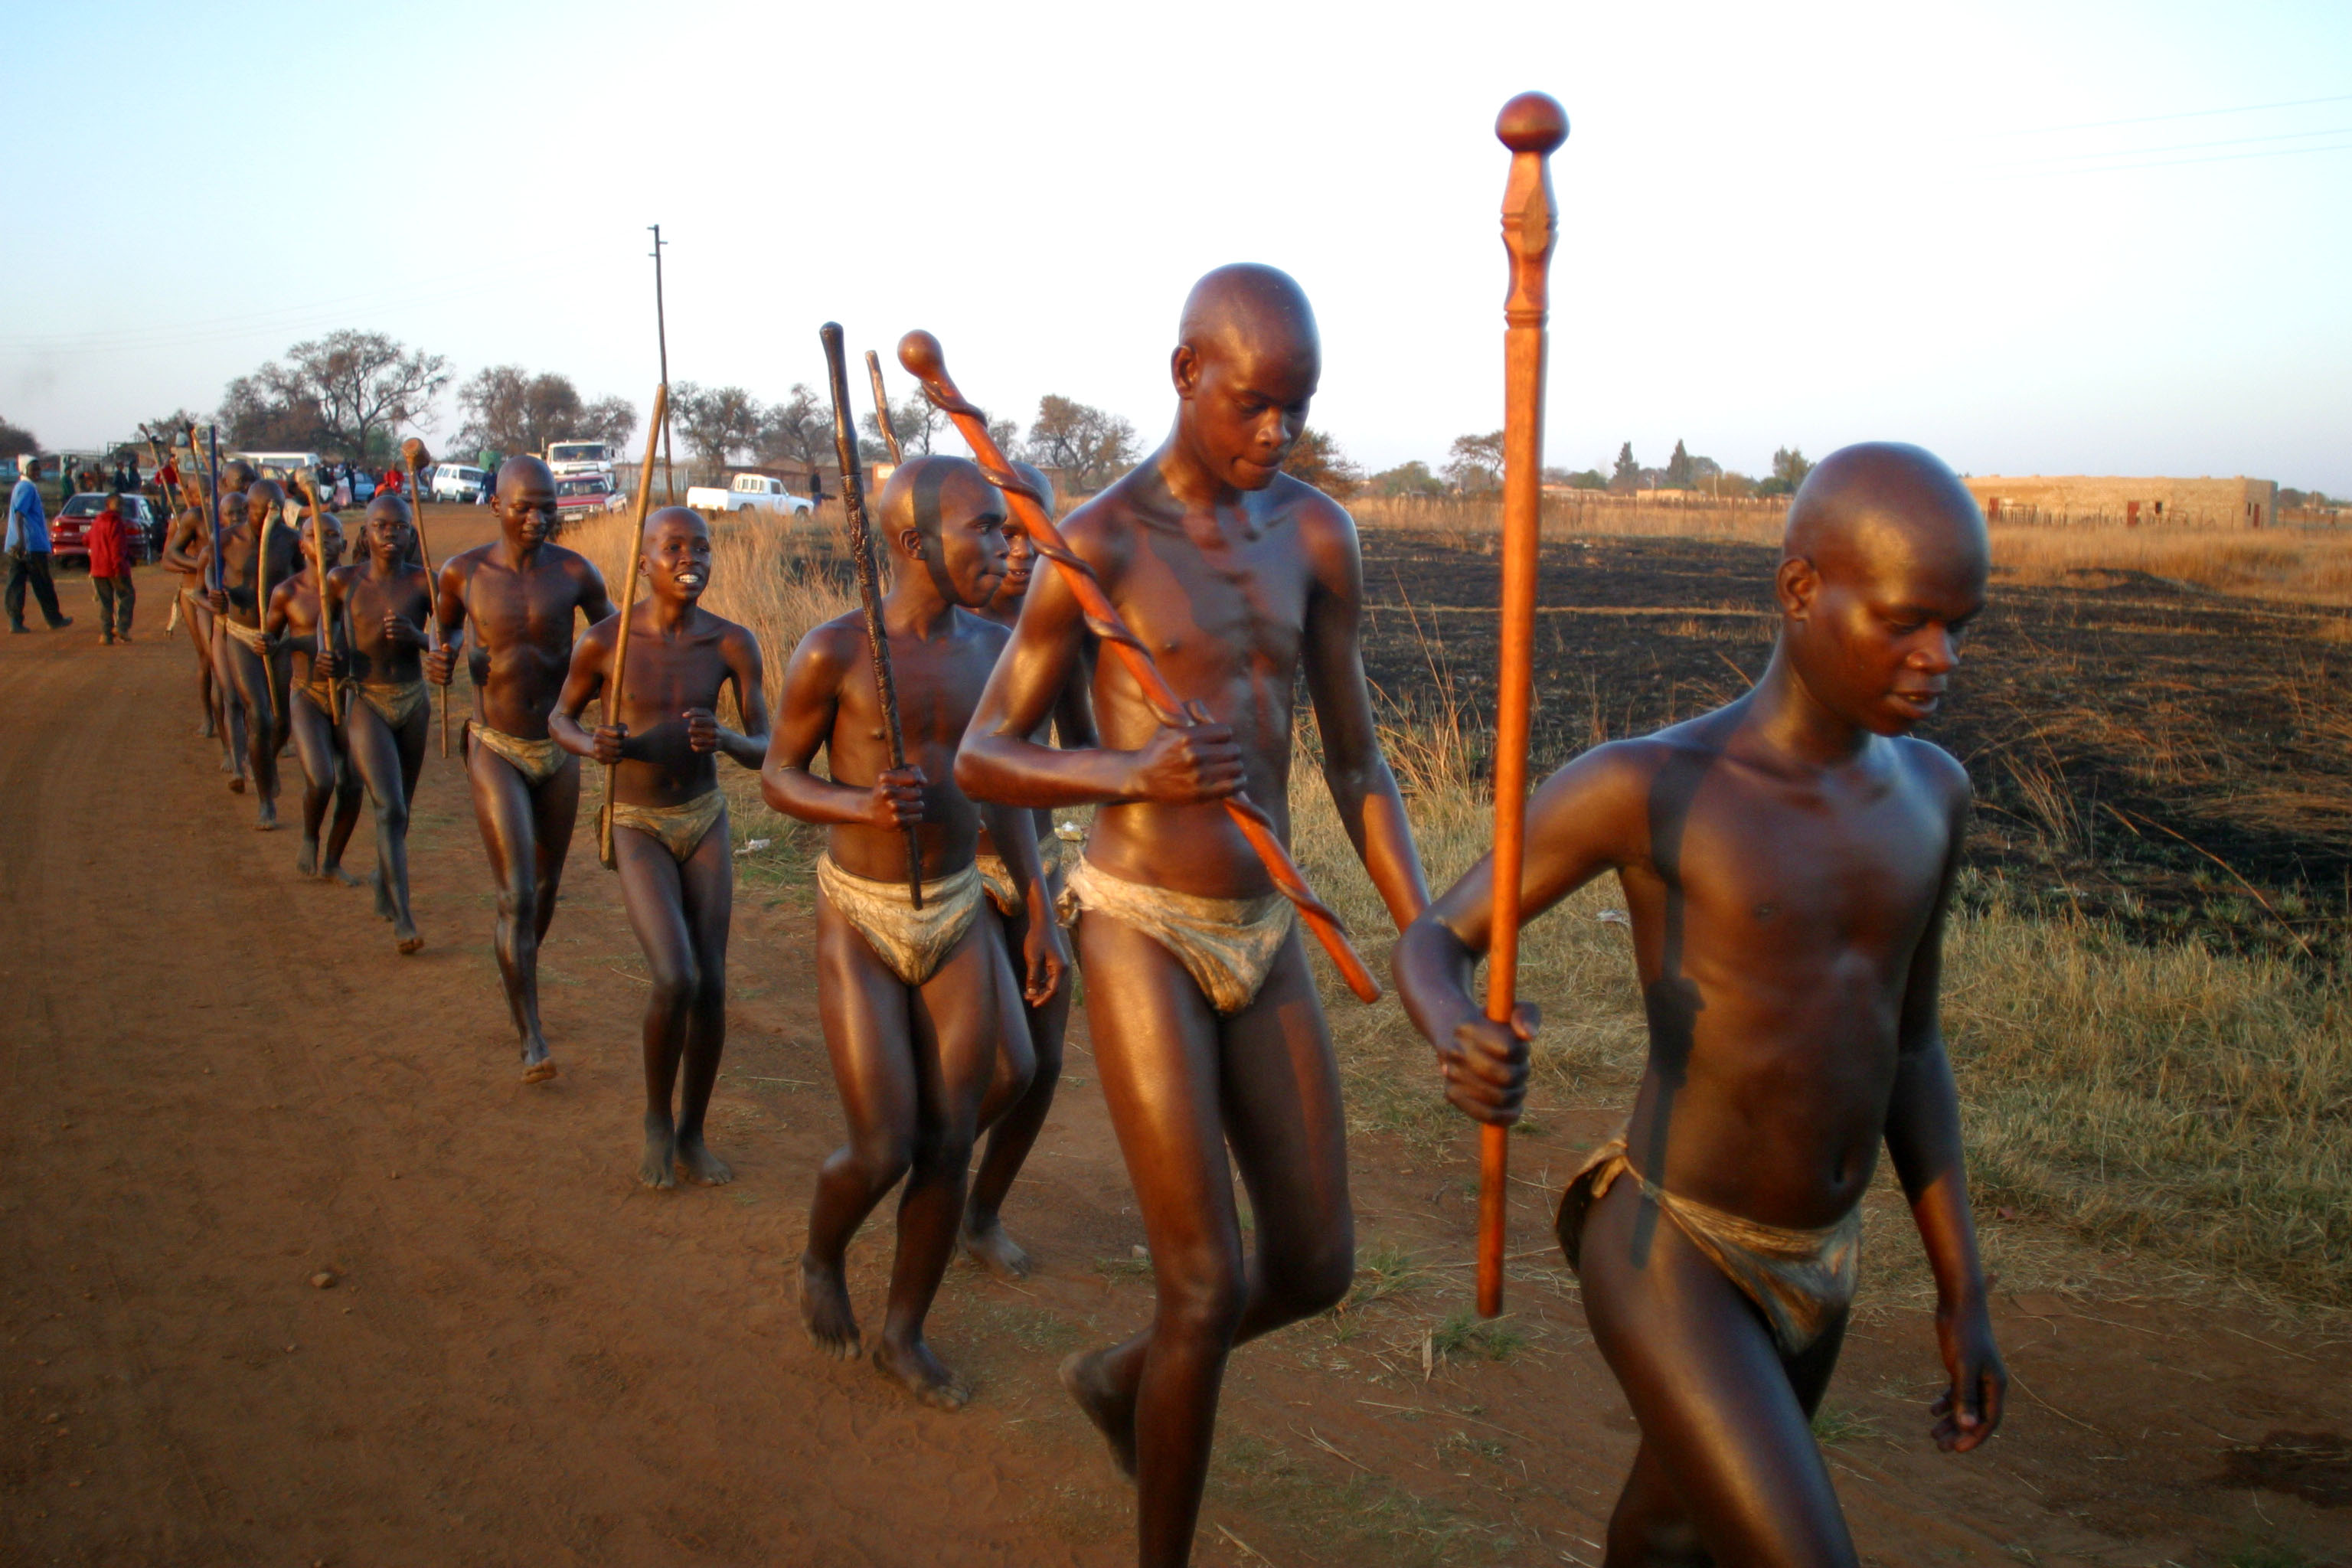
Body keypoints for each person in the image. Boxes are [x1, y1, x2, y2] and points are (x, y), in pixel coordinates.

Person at [1393, 443, 2008, 1568]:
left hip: (1824, 1255)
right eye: (1908, 621)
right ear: (1802, 590)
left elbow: (1910, 1050)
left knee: (1672, 1534)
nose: (1940, 658)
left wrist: (1964, 1285)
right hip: (1674, 1252)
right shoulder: (1653, 786)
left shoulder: (1934, 796)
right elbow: (1436, 938)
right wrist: (1454, 1029)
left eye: (1960, 626)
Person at [956, 264, 1428, 1566]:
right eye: (1254, 403)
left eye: (1298, 409)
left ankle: (1124, 1377)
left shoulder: (1318, 535)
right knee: (1205, 1279)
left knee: (1318, 1261)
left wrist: (1420, 933)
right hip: (1137, 918)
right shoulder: (1097, 544)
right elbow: (985, 756)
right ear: (1183, 375)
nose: (1275, 434)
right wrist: (1128, 772)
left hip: (1263, 920)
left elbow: (1355, 760)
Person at [761, 454, 1061, 1409]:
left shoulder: (992, 651)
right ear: (910, 543)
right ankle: (821, 1250)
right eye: (984, 528)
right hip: (862, 911)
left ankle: (904, 1330)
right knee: (884, 1142)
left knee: (972, 1111)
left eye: (1010, 531)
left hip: (960, 908)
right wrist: (858, 800)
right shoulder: (836, 652)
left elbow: (1002, 787)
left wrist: (1040, 908)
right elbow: (776, 776)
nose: (1006, 547)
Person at [550, 506, 770, 1187]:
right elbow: (560, 716)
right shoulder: (607, 644)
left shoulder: (733, 644)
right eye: (673, 546)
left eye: (701, 547)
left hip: (703, 816)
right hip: (637, 820)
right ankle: (655, 1117)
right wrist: (593, 745)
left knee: (711, 986)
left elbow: (769, 747)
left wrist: (727, 740)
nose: (690, 558)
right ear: (643, 562)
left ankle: (693, 1134)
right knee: (675, 976)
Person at [426, 456, 618, 1081]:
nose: (537, 519)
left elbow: (613, 639)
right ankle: (530, 1032)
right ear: (497, 506)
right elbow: (445, 635)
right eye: (523, 508)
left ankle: (520, 968)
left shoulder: (575, 572)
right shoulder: (464, 573)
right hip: (495, 743)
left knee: (545, 892)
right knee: (516, 892)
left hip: (558, 746)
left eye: (547, 507)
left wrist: (614, 694)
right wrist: (448, 657)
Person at [958, 460, 1096, 1280]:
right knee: (1004, 1062)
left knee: (1043, 1063)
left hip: (1035, 865)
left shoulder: (1056, 632)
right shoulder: (937, 622)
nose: (1015, 548)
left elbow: (1084, 752)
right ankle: (928, 1171)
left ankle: (980, 1209)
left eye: (1030, 530)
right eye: (998, 530)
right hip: (953, 871)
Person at [264, 508, 364, 883]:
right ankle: (310, 835)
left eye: (332, 535)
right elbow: (272, 639)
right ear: (301, 546)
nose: (323, 542)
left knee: (352, 783)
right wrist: (275, 642)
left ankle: (333, 861)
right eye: (313, 536)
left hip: (347, 693)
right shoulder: (287, 592)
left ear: (344, 543)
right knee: (321, 779)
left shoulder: (358, 587)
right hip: (307, 694)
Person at [206, 479, 301, 825]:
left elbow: (305, 584)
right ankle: (266, 802)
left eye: (278, 509)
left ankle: (265, 762)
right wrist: (217, 594)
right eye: (266, 511)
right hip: (242, 636)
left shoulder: (290, 541)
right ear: (250, 510)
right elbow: (210, 573)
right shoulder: (227, 540)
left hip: (279, 638)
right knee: (258, 714)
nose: (273, 516)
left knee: (282, 720)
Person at [159, 470, 229, 762]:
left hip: (225, 594)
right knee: (207, 658)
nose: (202, 497)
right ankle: (209, 717)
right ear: (187, 495)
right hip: (193, 593)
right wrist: (201, 565)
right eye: (196, 493)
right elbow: (168, 559)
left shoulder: (229, 516)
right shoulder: (187, 519)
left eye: (209, 491)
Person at [7, 456, 72, 632]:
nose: (37, 472)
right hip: (31, 545)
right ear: (24, 470)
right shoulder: (27, 488)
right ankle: (54, 619)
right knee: (43, 584)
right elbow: (20, 514)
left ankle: (16, 621)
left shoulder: (20, 487)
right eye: (33, 469)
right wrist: (22, 541)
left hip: (17, 545)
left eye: (38, 469)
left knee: (16, 583)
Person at [85, 493, 136, 644]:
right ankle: (122, 627)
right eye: (118, 504)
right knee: (127, 596)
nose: (121, 508)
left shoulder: (98, 521)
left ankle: (106, 635)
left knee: (106, 602)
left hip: (98, 569)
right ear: (109, 504)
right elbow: (117, 547)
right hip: (115, 568)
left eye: (122, 504)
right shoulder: (116, 522)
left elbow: (86, 539)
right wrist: (118, 566)